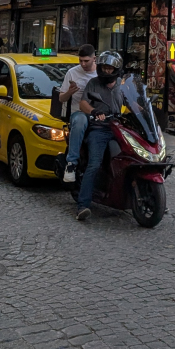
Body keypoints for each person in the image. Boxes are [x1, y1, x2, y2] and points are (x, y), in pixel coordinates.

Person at [75, 51, 131, 221]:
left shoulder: (122, 84)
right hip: (99, 129)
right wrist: (93, 111)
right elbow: (83, 103)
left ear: (116, 69)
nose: (106, 71)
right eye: (104, 67)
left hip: (119, 128)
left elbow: (132, 102)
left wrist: (144, 110)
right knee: (94, 164)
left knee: (136, 158)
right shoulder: (93, 83)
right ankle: (83, 205)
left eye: (110, 68)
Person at [61, 44, 97, 184]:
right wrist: (70, 92)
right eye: (80, 61)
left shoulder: (101, 72)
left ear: (94, 58)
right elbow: (61, 98)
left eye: (86, 61)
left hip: (99, 113)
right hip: (78, 112)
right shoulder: (72, 72)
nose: (83, 64)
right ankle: (71, 164)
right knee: (80, 120)